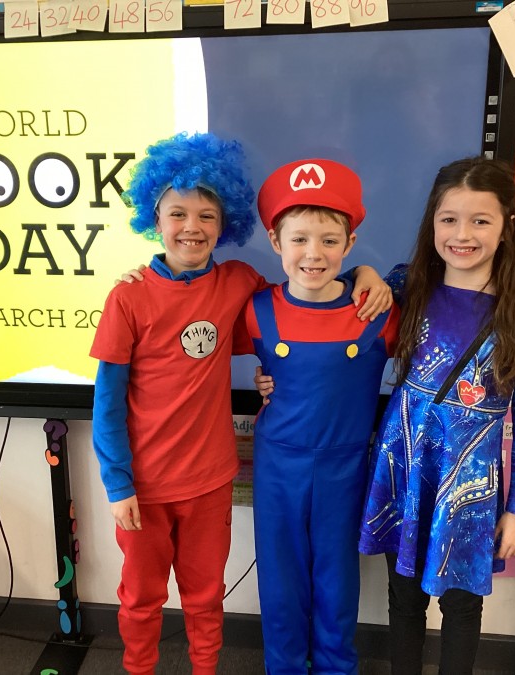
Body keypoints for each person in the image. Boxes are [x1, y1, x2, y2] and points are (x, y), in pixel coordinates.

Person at [89, 133, 388, 675]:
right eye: (178, 213)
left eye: (207, 215)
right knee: (146, 594)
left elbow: (308, 298)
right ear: (154, 217)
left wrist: (364, 276)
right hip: (153, 483)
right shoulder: (132, 296)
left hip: (216, 477)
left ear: (224, 223)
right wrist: (117, 481)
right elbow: (107, 401)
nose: (192, 226)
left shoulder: (240, 286)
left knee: (215, 593)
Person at [356, 157, 515, 675]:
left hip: (469, 486)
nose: (462, 234)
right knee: (403, 597)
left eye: (480, 220)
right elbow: (335, 300)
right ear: (432, 222)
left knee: (462, 606)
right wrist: (363, 271)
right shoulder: (407, 287)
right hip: (405, 468)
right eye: (449, 219)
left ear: (506, 227)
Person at [232, 158, 400, 675]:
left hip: (345, 468)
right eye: (299, 239)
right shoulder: (255, 309)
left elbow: (444, 301)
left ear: (350, 244)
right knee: (280, 578)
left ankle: (336, 667)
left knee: (336, 579)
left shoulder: (377, 310)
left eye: (329, 240)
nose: (313, 253)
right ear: (274, 240)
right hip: (277, 466)